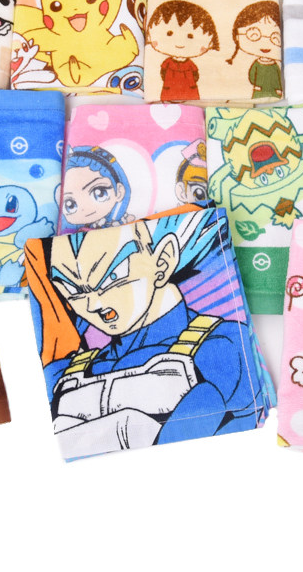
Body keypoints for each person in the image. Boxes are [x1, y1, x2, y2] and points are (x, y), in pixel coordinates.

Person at [38, 210, 266, 455]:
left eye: (113, 276)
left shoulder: (224, 343)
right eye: (73, 291)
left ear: (163, 261)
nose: (92, 304)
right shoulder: (65, 372)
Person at [147, 0, 218, 101]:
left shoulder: (188, 64)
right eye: (169, 33)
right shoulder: (169, 62)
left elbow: (195, 74)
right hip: (169, 88)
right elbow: (163, 72)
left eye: (190, 36)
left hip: (189, 88)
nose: (179, 42)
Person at [59, 146, 133, 232]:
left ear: (119, 191)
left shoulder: (121, 221)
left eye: (100, 193)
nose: (85, 208)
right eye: (70, 205)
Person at [228, 1, 283, 99]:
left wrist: (278, 88)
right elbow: (252, 76)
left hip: (272, 90)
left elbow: (276, 77)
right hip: (258, 90)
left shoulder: (273, 65)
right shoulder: (258, 64)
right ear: (237, 35)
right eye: (254, 35)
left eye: (275, 38)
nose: (265, 43)